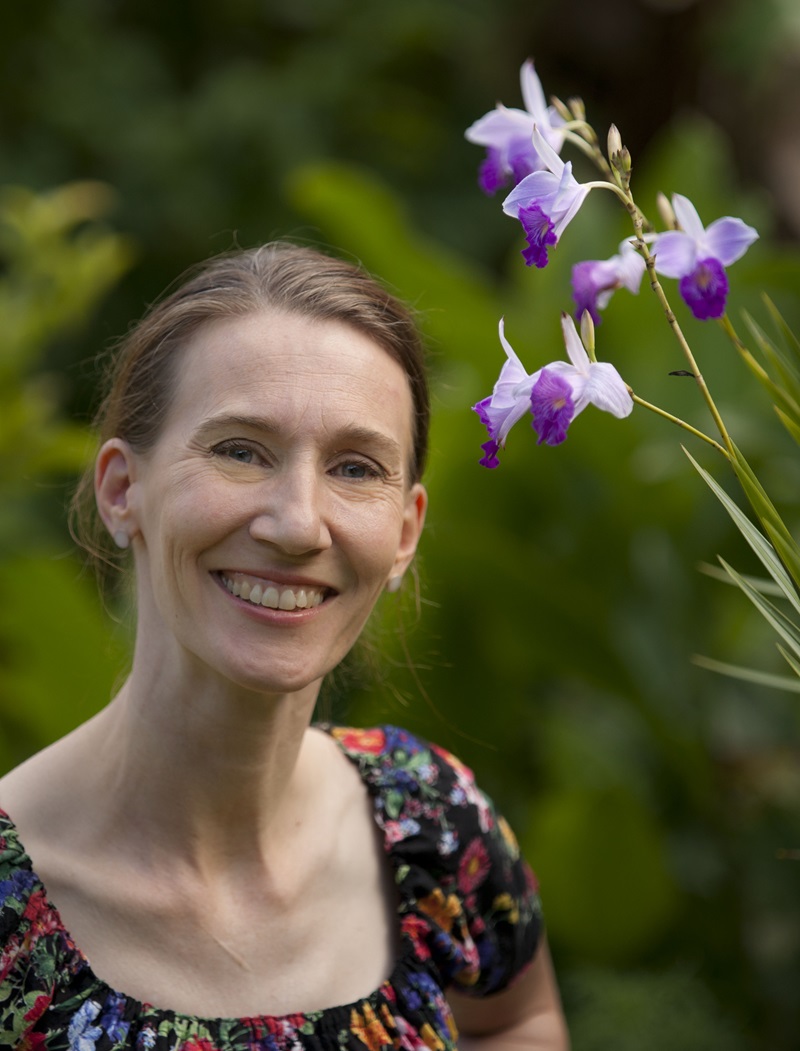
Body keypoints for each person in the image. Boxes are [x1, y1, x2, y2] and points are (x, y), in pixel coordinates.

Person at [0, 242, 569, 1050]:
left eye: (354, 467)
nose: (299, 522)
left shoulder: (433, 829)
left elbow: (514, 1015)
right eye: (240, 450)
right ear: (124, 489)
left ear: (405, 532)